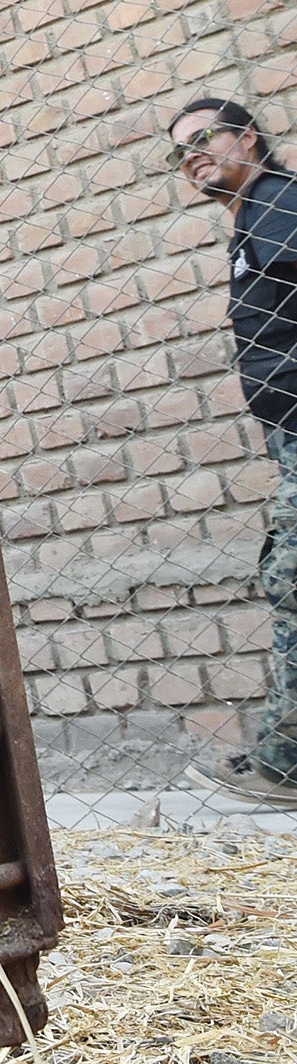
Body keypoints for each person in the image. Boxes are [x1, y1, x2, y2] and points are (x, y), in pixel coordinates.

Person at [171, 97, 297, 807]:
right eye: (179, 151)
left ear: (247, 138)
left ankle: (287, 764)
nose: (191, 155)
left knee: (292, 575)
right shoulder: (256, 217)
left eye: (203, 137)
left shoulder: (275, 201)